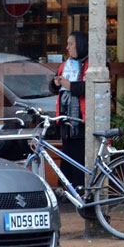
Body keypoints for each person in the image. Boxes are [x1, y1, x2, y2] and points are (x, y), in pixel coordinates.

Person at [48, 31, 89, 190]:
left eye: (71, 44)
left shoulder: (91, 64)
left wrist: (68, 85)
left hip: (81, 118)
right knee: (67, 154)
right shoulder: (66, 64)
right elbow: (52, 87)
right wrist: (56, 83)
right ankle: (65, 188)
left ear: (80, 45)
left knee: (79, 156)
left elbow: (87, 88)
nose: (68, 47)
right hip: (65, 118)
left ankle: (79, 188)